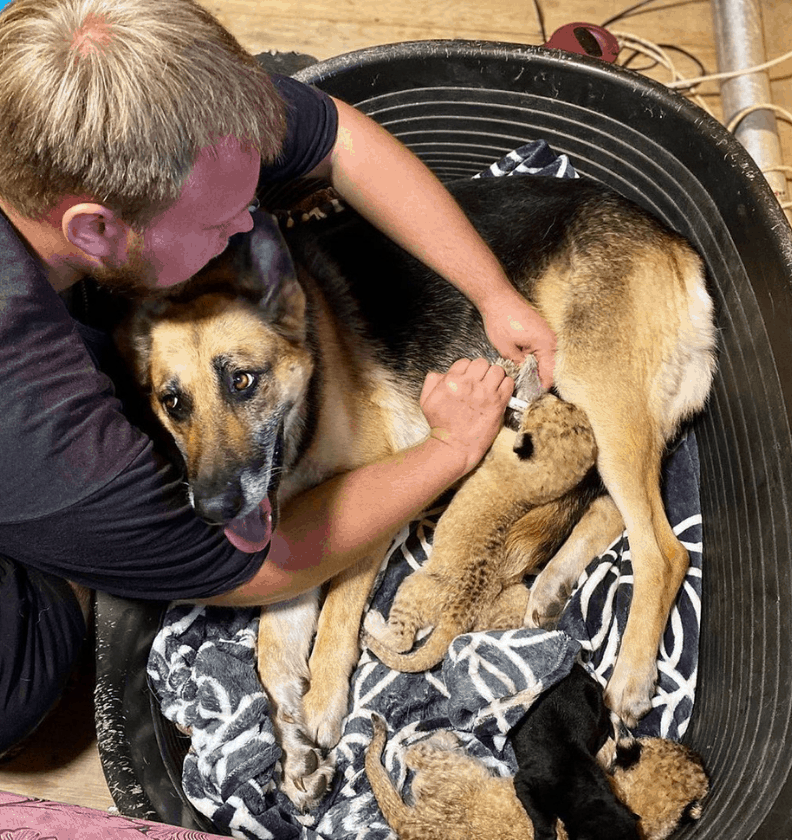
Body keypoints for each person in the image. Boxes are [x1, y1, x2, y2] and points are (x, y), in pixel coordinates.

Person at [0, 0, 558, 754]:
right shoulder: (46, 425)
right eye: (215, 221)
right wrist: (448, 451)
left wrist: (493, 293)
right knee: (29, 674)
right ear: (93, 227)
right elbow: (249, 564)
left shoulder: (112, 91)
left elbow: (336, 136)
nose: (245, 227)